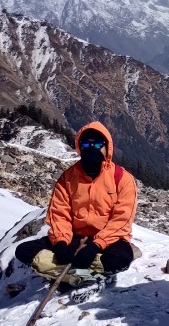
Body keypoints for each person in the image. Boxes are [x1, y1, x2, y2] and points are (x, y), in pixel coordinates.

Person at [14, 122, 137, 285]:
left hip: (107, 239)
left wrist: (95, 246)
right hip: (74, 237)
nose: (92, 148)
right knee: (23, 251)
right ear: (80, 147)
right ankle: (82, 275)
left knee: (121, 259)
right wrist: (61, 243)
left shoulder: (122, 178)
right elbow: (59, 215)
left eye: (98, 144)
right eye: (86, 144)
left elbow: (122, 220)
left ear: (107, 148)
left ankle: (66, 272)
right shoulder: (68, 178)